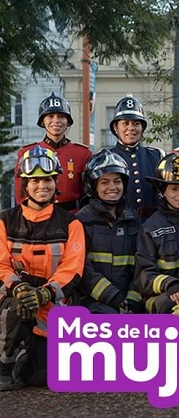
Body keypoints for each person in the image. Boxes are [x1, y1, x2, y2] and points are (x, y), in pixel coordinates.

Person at [0, 147, 85, 390]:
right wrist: (18, 288)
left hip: (53, 307)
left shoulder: (71, 223)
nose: (42, 186)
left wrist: (44, 293)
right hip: (12, 301)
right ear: (24, 185)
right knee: (15, 308)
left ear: (56, 182)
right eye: (35, 180)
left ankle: (24, 356)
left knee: (45, 378)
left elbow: (72, 268)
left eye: (47, 179)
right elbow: (1, 263)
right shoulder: (5, 220)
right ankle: (3, 368)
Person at [136, 153, 179, 330]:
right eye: (174, 189)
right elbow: (142, 275)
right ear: (162, 191)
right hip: (160, 295)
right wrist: (169, 283)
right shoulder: (150, 227)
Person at [74, 149, 143, 314]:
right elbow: (81, 268)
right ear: (93, 186)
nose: (113, 187)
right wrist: (112, 297)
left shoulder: (133, 219)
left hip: (129, 302)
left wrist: (132, 301)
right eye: (105, 182)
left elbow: (142, 263)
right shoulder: (81, 221)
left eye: (117, 181)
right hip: (91, 302)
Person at [15, 93, 92, 212]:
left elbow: (87, 193)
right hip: (38, 218)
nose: (56, 121)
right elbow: (21, 195)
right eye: (50, 116)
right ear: (42, 121)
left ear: (68, 121)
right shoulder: (26, 153)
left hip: (73, 217)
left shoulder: (82, 154)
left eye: (61, 116)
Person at [109, 95, 165, 220]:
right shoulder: (107, 158)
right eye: (125, 123)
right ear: (115, 128)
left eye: (136, 123)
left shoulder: (157, 156)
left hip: (152, 223)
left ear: (142, 128)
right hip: (120, 223)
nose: (131, 128)